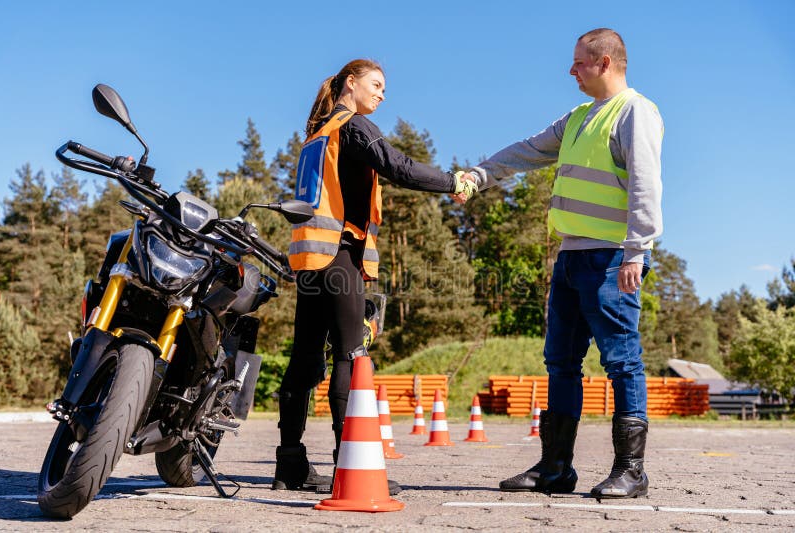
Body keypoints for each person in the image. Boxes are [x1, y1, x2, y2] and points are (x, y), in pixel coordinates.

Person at [461, 28, 663, 499]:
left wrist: (637, 250)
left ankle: (631, 471)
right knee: (560, 363)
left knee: (621, 361)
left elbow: (645, 185)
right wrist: (478, 175)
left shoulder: (635, 112)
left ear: (606, 63)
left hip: (613, 258)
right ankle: (556, 468)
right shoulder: (577, 118)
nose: (571, 70)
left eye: (579, 62)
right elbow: (527, 151)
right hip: (571, 257)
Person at [273, 59, 478, 494]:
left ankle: (289, 461)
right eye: (376, 84)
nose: (382, 94)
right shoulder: (352, 126)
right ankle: (351, 466)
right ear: (351, 83)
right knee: (351, 355)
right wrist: (451, 181)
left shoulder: (317, 133)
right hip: (338, 255)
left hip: (311, 260)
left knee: (306, 359)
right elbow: (397, 165)